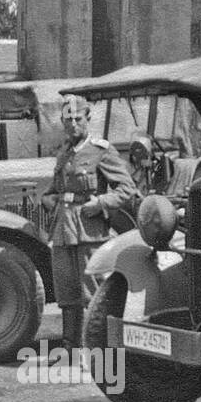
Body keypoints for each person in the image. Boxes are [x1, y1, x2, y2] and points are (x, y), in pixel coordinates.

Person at [43, 95, 138, 349]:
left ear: (87, 119)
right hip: (64, 230)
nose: (73, 124)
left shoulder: (101, 151)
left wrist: (101, 203)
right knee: (66, 292)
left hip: (90, 229)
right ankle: (68, 346)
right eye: (68, 119)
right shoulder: (63, 154)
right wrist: (49, 199)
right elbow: (52, 190)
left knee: (92, 291)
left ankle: (94, 348)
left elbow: (127, 189)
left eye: (77, 119)